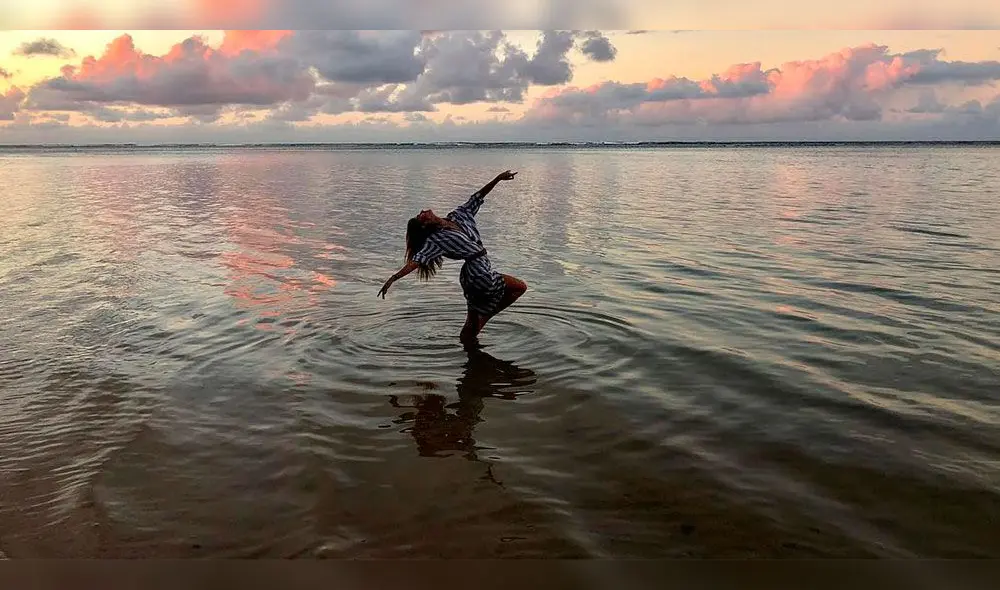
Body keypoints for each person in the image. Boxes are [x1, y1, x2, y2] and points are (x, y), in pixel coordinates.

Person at [378, 170, 527, 346]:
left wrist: (498, 179)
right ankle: (486, 316)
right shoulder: (435, 240)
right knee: (520, 287)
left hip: (473, 273)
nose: (422, 211)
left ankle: (470, 355)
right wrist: (393, 278)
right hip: (477, 273)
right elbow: (416, 261)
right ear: (425, 224)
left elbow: (477, 197)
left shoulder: (459, 215)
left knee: (469, 329)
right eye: (420, 216)